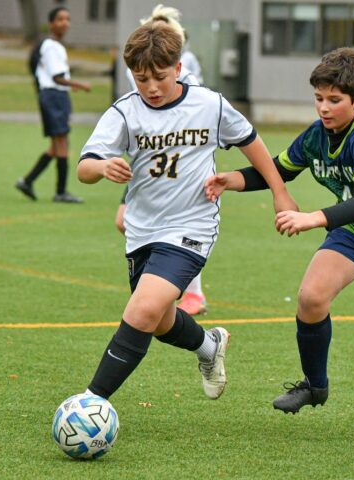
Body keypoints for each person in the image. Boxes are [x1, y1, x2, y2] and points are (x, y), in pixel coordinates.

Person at [205, 48, 354, 424]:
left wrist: (312, 217)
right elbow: (279, 170)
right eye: (318, 99)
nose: (324, 108)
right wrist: (234, 179)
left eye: (334, 100)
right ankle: (315, 384)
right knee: (311, 297)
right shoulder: (317, 135)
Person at [76, 21, 295, 402]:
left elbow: (252, 143)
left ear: (178, 68)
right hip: (142, 230)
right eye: (141, 79)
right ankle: (209, 347)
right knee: (160, 322)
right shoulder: (125, 113)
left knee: (142, 310)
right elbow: (84, 168)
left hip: (192, 225)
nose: (151, 88)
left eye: (160, 77)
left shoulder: (208, 105)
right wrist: (102, 167)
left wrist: (279, 191)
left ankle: (91, 403)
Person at [118, 3, 208, 315]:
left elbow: (195, 109)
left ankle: (193, 293)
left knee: (182, 229)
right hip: (146, 159)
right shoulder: (138, 64)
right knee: (124, 221)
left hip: (179, 158)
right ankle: (162, 286)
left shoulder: (187, 64)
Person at [15, 6, 91, 204]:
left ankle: (27, 181)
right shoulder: (50, 46)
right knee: (62, 144)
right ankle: (61, 192)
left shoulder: (56, 45)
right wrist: (80, 84)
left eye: (67, 19)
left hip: (57, 96)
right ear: (51, 24)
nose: (65, 23)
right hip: (53, 96)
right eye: (60, 19)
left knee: (56, 147)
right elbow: (57, 78)